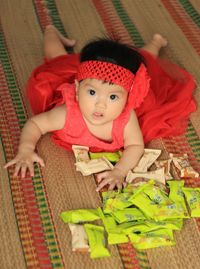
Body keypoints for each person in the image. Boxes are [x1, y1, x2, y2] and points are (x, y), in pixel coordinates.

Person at [4, 25, 196, 191]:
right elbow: (35, 124)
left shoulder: (126, 118)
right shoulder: (66, 113)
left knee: (147, 64)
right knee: (57, 58)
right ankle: (51, 31)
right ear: (77, 90)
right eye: (92, 93)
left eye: (113, 97)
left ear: (128, 98)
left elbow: (135, 146)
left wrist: (119, 171)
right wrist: (26, 149)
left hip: (112, 79)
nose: (100, 104)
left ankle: (155, 43)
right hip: (68, 75)